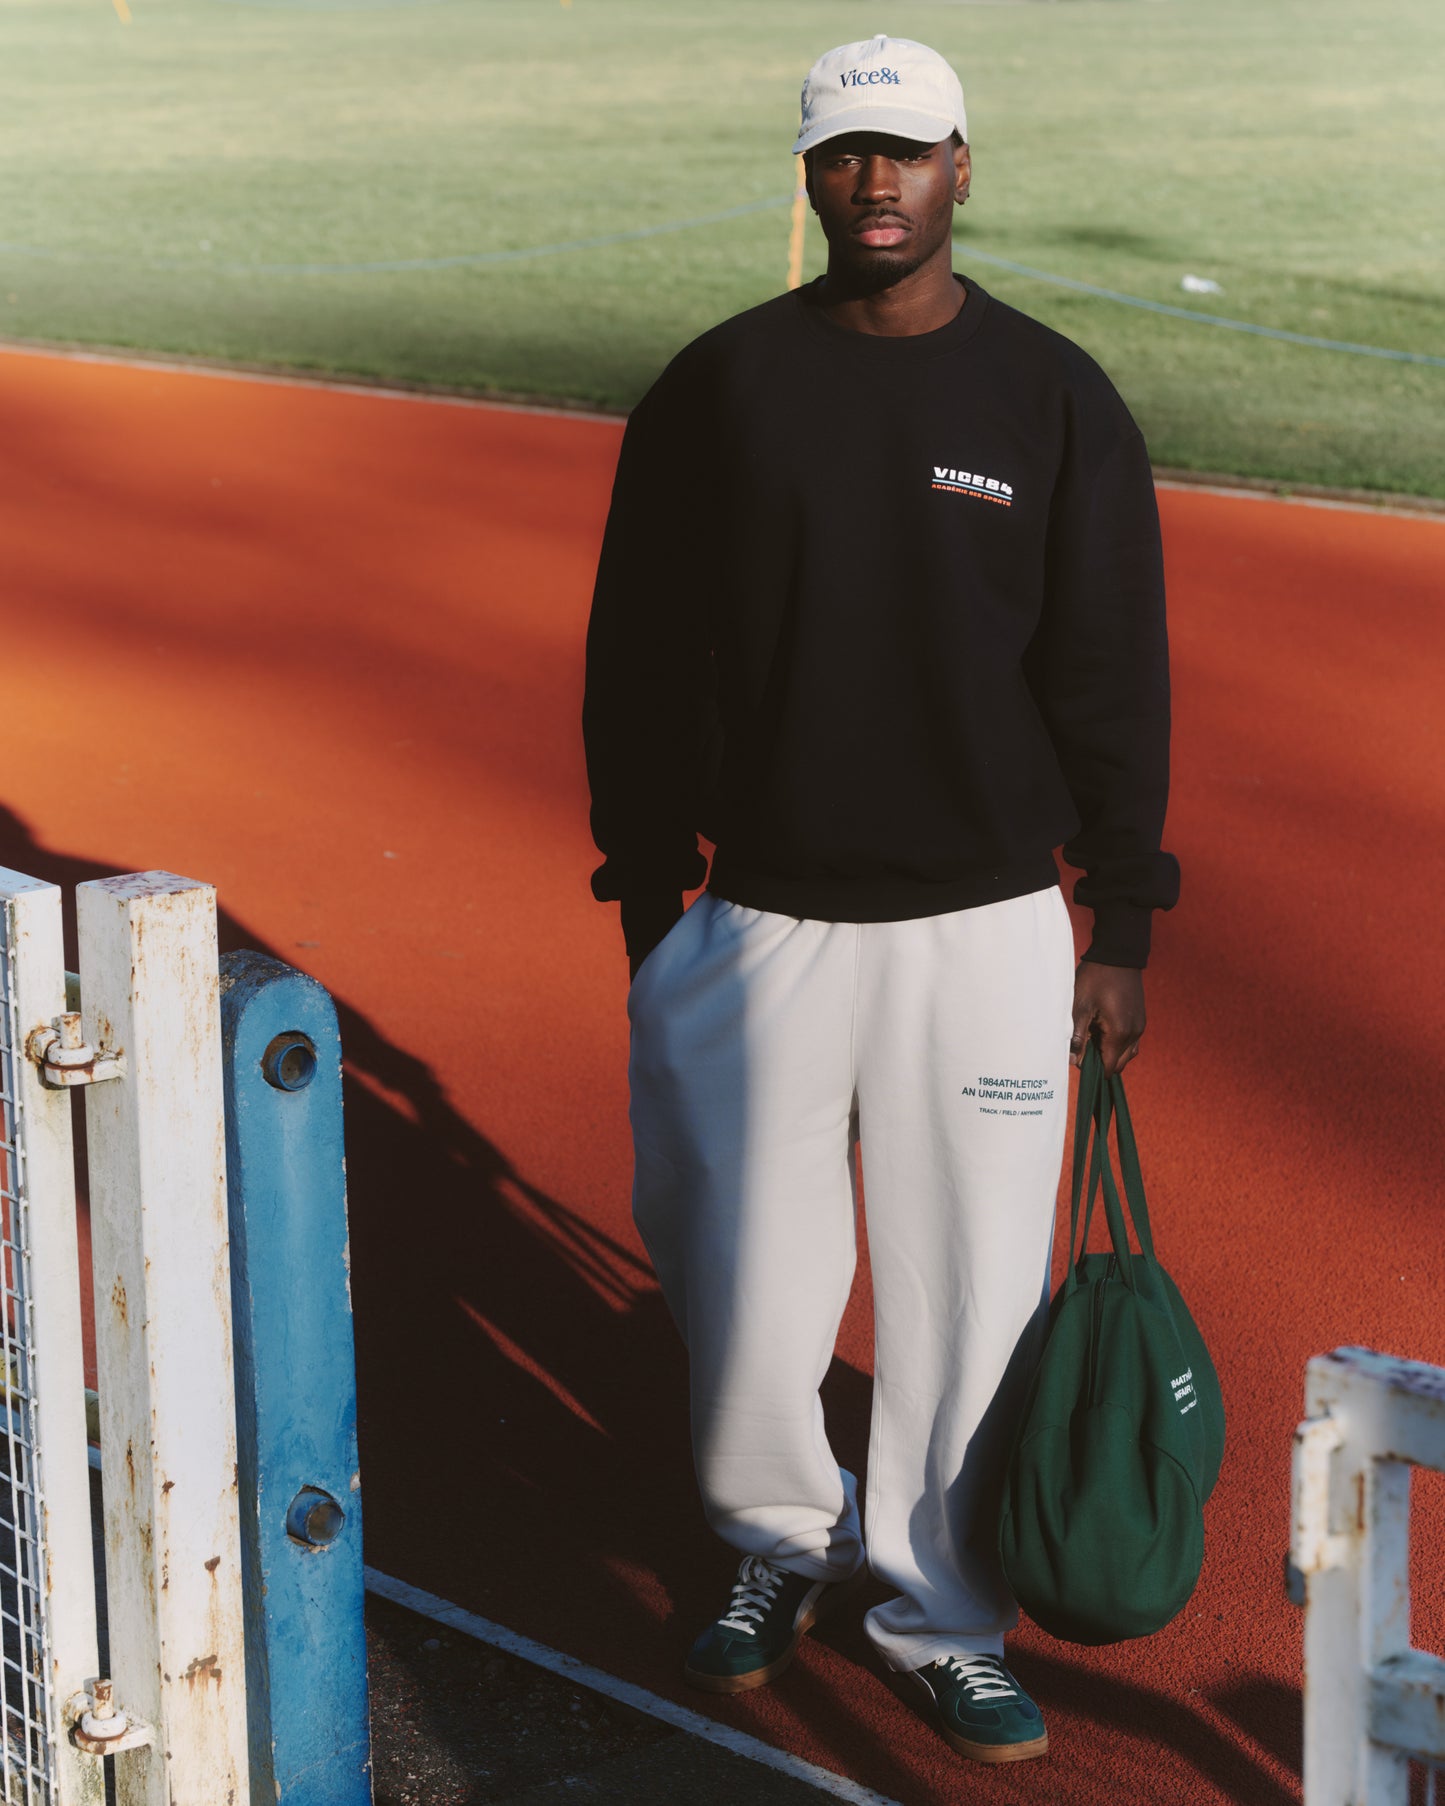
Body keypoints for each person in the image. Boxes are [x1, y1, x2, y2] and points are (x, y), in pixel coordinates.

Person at [581, 32, 1178, 1768]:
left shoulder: (1052, 396)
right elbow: (639, 656)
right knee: (742, 1277)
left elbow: (1110, 674)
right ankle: (777, 1537)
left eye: (905, 152)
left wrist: (1119, 921)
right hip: (758, 919)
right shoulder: (717, 387)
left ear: (959, 165)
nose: (874, 183)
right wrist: (648, 886)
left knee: (970, 1291)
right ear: (808, 172)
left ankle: (941, 1609)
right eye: (844, 154)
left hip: (983, 926)